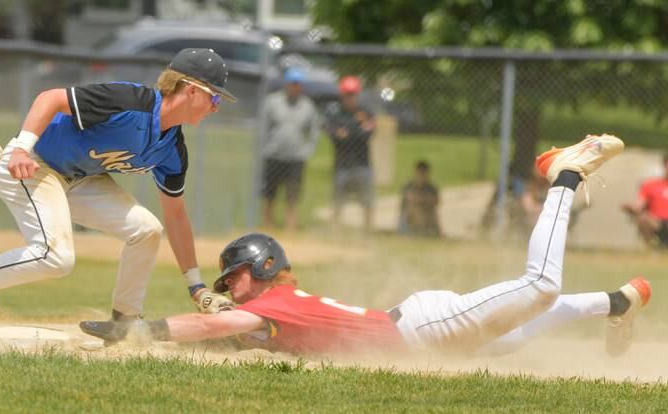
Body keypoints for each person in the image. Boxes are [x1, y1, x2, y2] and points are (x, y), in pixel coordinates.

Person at [82, 134, 650, 358]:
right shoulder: (272, 311)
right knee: (518, 330)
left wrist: (140, 330)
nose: (230, 288)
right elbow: (223, 340)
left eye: (233, 277)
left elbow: (211, 328)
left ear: (263, 267)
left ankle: (565, 175)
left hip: (426, 328)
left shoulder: (270, 304)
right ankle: (616, 303)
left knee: (539, 287)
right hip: (424, 339)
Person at [0, 48, 238, 334]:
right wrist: (21, 149)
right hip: (34, 163)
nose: (216, 107)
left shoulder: (173, 149)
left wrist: (196, 286)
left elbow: (175, 215)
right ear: (191, 90)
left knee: (147, 230)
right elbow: (51, 98)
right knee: (56, 258)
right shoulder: (131, 102)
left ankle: (125, 323)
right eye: (215, 97)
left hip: (80, 180)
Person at [260, 67, 319, 231]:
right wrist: (264, 147)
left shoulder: (308, 106)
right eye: (292, 83)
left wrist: (308, 150)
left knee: (293, 192)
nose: (295, 87)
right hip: (273, 154)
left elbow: (314, 131)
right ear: (286, 84)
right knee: (269, 192)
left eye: (298, 84)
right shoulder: (272, 102)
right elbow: (263, 127)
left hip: (296, 157)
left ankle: (290, 224)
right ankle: (267, 222)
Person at [323, 76, 375, 230]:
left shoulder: (366, 112)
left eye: (353, 94)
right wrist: (358, 128)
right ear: (342, 95)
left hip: (362, 163)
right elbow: (335, 136)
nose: (350, 98)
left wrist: (347, 132)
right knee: (338, 201)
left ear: (357, 94)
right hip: (342, 164)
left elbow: (368, 134)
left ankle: (368, 231)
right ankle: (334, 231)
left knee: (367, 201)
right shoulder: (336, 113)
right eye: (347, 94)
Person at [622, 153, 668, 248]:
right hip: (657, 222)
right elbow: (639, 205)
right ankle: (651, 247)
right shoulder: (650, 185)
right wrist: (632, 208)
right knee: (643, 219)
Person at [398, 160, 440, 237]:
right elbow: (411, 199)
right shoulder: (408, 186)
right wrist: (425, 199)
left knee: (431, 211)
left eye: (424, 173)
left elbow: (436, 201)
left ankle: (430, 232)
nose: (422, 175)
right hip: (410, 216)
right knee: (414, 208)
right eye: (420, 173)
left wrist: (421, 199)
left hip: (426, 213)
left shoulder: (431, 187)